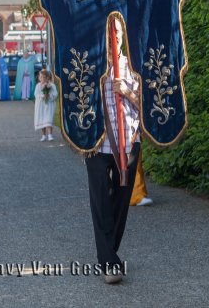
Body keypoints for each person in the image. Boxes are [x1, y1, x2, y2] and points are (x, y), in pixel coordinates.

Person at [85, 18, 141, 284]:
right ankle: (109, 263)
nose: (112, 38)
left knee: (120, 201)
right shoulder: (89, 65)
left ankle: (109, 253)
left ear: (122, 34)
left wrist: (127, 91)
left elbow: (149, 104)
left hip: (127, 142)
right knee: (101, 203)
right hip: (97, 144)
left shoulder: (135, 66)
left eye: (116, 32)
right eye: (108, 33)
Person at [34, 69, 58, 142]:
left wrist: (49, 95)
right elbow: (36, 94)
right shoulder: (38, 85)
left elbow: (55, 94)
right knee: (42, 119)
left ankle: (50, 134)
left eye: (43, 77)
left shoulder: (51, 85)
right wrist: (42, 96)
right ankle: (43, 135)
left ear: (47, 78)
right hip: (41, 105)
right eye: (40, 77)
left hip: (49, 105)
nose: (42, 79)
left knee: (48, 119)